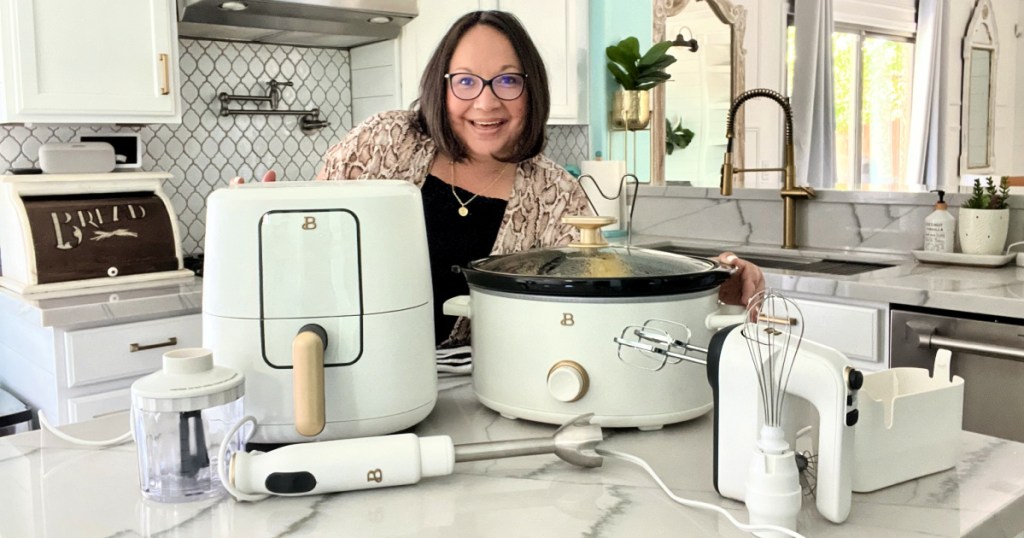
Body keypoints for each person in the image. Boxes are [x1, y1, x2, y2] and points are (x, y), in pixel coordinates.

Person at [236, 10, 765, 347]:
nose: (485, 102)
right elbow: (305, 243)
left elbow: (602, 304)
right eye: (465, 81)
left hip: (482, 399)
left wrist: (712, 283)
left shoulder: (557, 194)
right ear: (440, 87)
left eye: (507, 80)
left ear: (531, 89)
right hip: (352, 371)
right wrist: (258, 223)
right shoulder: (384, 142)